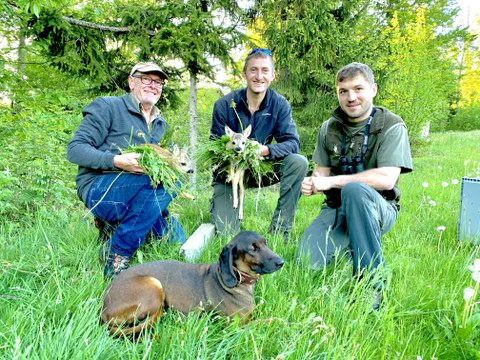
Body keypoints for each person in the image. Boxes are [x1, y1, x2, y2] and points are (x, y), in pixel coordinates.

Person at [296, 62, 413, 309]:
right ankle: (353, 245)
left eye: (358, 89)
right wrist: (313, 183)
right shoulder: (329, 128)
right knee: (307, 262)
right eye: (343, 91)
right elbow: (321, 173)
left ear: (373, 89)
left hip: (378, 207)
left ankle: (371, 284)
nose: (351, 97)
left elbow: (386, 178)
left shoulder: (392, 125)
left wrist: (332, 181)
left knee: (354, 190)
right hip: (336, 210)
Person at [67, 61, 186, 280]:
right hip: (100, 188)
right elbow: (75, 150)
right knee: (170, 183)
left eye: (158, 81)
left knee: (177, 245)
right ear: (131, 81)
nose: (153, 85)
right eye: (146, 79)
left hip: (141, 191)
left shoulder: (161, 124)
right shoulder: (108, 106)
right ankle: (116, 251)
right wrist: (117, 160)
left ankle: (113, 229)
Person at [209, 48, 308, 243]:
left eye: (265, 70)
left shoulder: (279, 105)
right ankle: (221, 203)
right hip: (230, 173)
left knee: (299, 162)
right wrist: (232, 153)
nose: (259, 76)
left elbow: (293, 143)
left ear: (273, 75)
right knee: (226, 233)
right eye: (253, 70)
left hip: (261, 168)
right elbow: (213, 148)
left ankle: (280, 230)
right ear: (244, 73)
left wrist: (266, 150)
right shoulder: (224, 105)